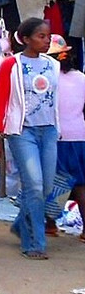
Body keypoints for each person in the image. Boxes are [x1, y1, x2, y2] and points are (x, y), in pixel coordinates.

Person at [0, 17, 61, 259]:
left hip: (49, 130)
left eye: (48, 36)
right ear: (26, 39)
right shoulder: (11, 64)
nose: (46, 40)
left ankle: (22, 224)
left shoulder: (53, 65)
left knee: (47, 186)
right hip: (22, 132)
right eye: (41, 36)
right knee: (34, 185)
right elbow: (0, 100)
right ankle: (35, 243)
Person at [51, 34, 85, 242]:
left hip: (58, 136)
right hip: (81, 135)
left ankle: (49, 225)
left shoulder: (49, 78)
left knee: (57, 183)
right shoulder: (82, 77)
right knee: (82, 184)